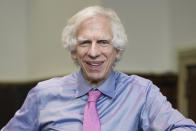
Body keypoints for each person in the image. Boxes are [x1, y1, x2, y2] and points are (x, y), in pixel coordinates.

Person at [1, 6, 196, 131]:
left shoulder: (141, 92)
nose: (93, 52)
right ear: (73, 51)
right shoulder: (43, 95)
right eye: (85, 43)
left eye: (103, 42)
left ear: (117, 50)